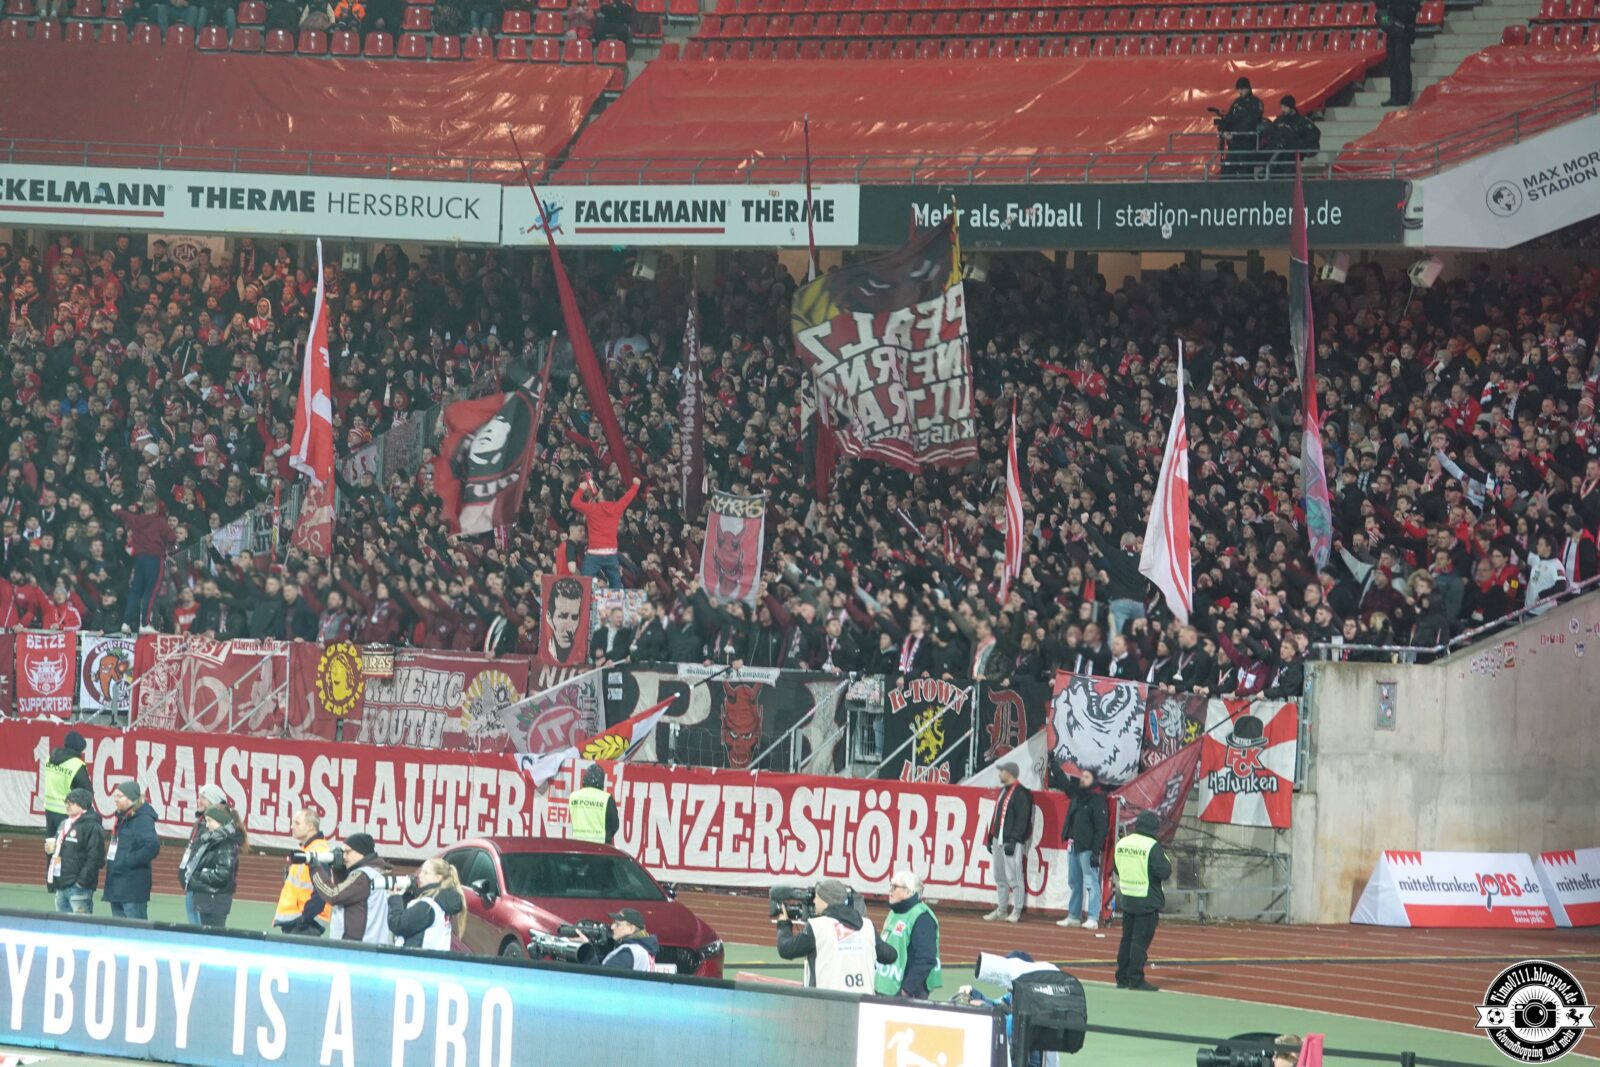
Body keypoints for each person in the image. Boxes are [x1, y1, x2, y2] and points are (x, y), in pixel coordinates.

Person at [776, 879, 896, 992]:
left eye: (816, 897)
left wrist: (783, 924)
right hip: (862, 1001)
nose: (813, 901)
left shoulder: (818, 927)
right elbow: (890, 955)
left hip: (829, 1002)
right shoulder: (867, 925)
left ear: (825, 900)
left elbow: (786, 949)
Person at [1113, 810, 1171, 991]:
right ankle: (1135, 979)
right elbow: (1164, 872)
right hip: (1146, 900)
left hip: (1128, 898)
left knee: (1127, 940)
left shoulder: (1122, 843)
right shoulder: (1151, 846)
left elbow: (1116, 867)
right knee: (1140, 942)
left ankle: (1122, 977)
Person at [1048, 762, 1107, 930]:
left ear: (1094, 780)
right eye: (1082, 776)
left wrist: (1096, 851)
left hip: (1088, 848)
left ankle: (1093, 917)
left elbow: (1101, 828)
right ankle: (1074, 916)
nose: (1082, 779)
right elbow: (1062, 782)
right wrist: (1054, 763)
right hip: (1073, 845)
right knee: (1074, 882)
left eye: (1086, 777)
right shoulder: (1077, 795)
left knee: (1091, 882)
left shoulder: (1097, 800)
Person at [309, 832, 392, 944]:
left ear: (361, 852)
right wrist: (339, 870)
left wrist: (314, 867)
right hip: (370, 946)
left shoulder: (363, 875)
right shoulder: (375, 872)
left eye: (347, 852)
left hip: (358, 949)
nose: (344, 856)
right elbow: (348, 897)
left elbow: (333, 895)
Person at [113, 491, 178, 633]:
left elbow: (125, 515)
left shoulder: (137, 520)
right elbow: (172, 538)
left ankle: (126, 623)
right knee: (151, 590)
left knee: (135, 591)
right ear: (155, 508)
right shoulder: (160, 521)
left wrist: (116, 510)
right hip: (155, 559)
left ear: (144, 508)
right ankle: (145, 624)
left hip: (140, 560)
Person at [875, 869, 941, 999]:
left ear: (908, 891)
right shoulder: (894, 912)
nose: (890, 891)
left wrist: (906, 991)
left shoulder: (922, 918)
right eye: (890, 886)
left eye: (895, 887)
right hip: (887, 987)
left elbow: (925, 959)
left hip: (907, 993)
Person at [983, 762, 1033, 923]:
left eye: (1002, 771)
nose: (999, 774)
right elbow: (998, 815)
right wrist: (991, 837)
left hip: (1011, 840)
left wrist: (1014, 839)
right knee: (1000, 877)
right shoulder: (1004, 791)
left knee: (1015, 877)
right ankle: (1002, 909)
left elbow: (1023, 819)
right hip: (999, 839)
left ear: (1010, 773)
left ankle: (1017, 911)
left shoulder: (1021, 793)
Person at [103, 781, 161, 920]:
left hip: (132, 887)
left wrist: (128, 861)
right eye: (115, 795)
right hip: (117, 885)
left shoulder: (142, 819)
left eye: (119, 796)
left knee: (136, 932)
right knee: (119, 932)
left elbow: (152, 846)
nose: (115, 799)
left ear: (130, 798)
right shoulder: (123, 816)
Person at [179, 804, 244, 929]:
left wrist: (197, 874)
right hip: (208, 900)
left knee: (213, 939)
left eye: (209, 821)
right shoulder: (213, 839)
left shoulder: (225, 843)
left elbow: (223, 874)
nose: (206, 824)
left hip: (214, 901)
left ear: (220, 822)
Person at [571, 474, 640, 589]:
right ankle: (616, 606)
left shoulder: (592, 509)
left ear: (601, 496)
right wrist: (636, 486)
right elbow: (627, 497)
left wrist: (581, 488)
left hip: (594, 554)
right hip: (611, 554)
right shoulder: (617, 508)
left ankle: (584, 606)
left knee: (584, 584)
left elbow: (574, 503)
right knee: (616, 585)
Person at [274, 808, 334, 935]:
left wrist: (305, 917)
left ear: (311, 827)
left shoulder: (318, 851)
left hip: (305, 924)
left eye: (297, 823)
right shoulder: (307, 849)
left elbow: (323, 889)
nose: (292, 826)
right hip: (300, 921)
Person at [387, 857, 466, 951]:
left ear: (438, 878)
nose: (420, 876)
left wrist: (395, 898)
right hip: (433, 961)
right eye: (420, 872)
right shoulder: (442, 902)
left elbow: (398, 925)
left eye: (425, 873)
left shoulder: (428, 906)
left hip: (416, 961)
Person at [46, 788, 104, 915]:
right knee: (62, 926)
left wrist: (80, 882)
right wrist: (52, 850)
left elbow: (96, 858)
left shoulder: (92, 826)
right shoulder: (64, 823)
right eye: (67, 802)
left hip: (78, 887)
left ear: (83, 805)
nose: (68, 806)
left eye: (72, 803)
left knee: (80, 928)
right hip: (61, 884)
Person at [181, 783, 231, 925]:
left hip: (208, 892)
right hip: (193, 886)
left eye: (203, 797)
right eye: (198, 797)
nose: (199, 800)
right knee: (195, 930)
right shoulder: (199, 824)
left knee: (206, 933)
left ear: (214, 800)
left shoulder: (222, 828)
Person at [41, 730, 91, 837]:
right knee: (65, 846)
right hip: (67, 810)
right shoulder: (77, 765)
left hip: (49, 808)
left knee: (51, 843)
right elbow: (87, 792)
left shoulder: (49, 759)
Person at [1215, 77, 1265, 178]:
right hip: (1233, 146)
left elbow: (1250, 123)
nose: (1240, 91)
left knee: (1244, 173)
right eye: (1238, 89)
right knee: (1227, 172)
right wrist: (1223, 130)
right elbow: (1229, 118)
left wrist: (1234, 135)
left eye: (1242, 89)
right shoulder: (1237, 102)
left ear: (1248, 88)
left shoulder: (1256, 103)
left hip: (1247, 144)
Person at [1264, 96, 1320, 178]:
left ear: (1291, 107)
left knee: (1289, 183)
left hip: (1292, 160)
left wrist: (1300, 145)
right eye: (1282, 107)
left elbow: (1315, 135)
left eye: (1285, 107)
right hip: (1277, 158)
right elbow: (1272, 133)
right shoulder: (1279, 120)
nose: (1283, 109)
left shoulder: (1302, 121)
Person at [1378, 0, 1419, 106]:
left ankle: (1403, 97)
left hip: (1403, 30)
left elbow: (1411, 9)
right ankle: (1394, 96)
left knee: (1402, 65)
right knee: (1393, 65)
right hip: (1392, 30)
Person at [594, 907, 659, 971]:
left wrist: (588, 949)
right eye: (613, 923)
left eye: (617, 924)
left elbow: (603, 976)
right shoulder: (643, 947)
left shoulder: (628, 952)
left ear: (631, 929)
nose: (612, 927)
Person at [568, 764, 620, 845]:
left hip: (578, 845)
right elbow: (614, 824)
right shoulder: (606, 798)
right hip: (600, 847)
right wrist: (607, 837)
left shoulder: (573, 796)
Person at [544, 576, 587, 665]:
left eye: (574, 617)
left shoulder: (581, 653)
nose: (569, 626)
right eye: (563, 616)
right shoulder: (546, 651)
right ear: (549, 618)